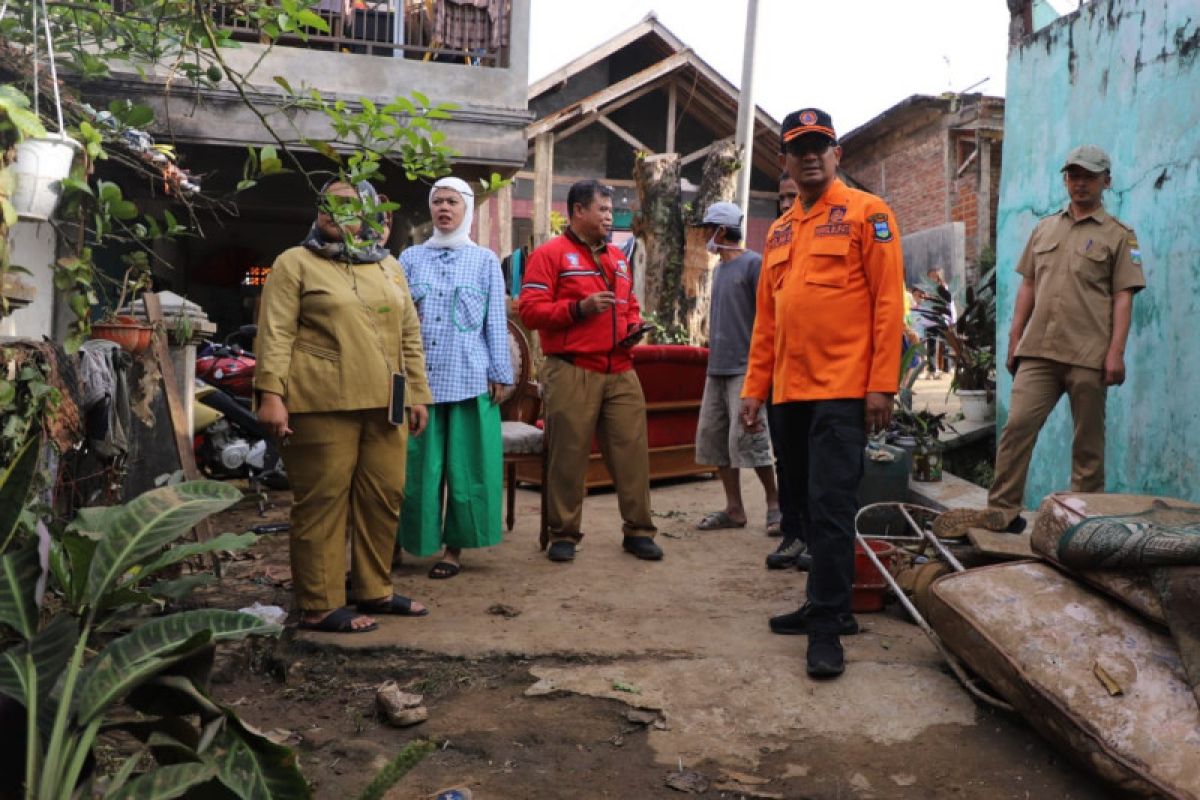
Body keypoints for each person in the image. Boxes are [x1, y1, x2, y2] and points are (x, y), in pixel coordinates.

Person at [740, 108, 905, 677]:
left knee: (833, 510)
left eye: (821, 145)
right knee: (805, 511)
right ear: (783, 160)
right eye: (799, 148)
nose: (810, 155)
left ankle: (829, 628)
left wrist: (882, 386)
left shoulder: (869, 214)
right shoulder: (783, 230)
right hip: (789, 394)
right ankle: (821, 602)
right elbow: (768, 320)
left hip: (842, 391)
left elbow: (888, 305)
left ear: (838, 154)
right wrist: (753, 389)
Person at [939, 144, 1144, 537]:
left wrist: (1116, 352)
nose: (1080, 182)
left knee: (1088, 445)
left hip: (1089, 354)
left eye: (1089, 175)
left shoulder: (1119, 237)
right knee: (1017, 428)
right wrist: (1014, 337)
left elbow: (1123, 296)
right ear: (1066, 179)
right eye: (1073, 175)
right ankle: (1002, 511)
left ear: (1107, 181)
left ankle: (1082, 523)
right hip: (1038, 352)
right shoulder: (1044, 228)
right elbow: (1028, 286)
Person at [256, 179, 432, 633]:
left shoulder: (389, 266)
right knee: (323, 502)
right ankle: (319, 602)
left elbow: (409, 334)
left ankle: (375, 589)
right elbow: (275, 332)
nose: (335, 211)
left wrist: (416, 392)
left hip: (386, 401)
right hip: (320, 402)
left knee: (384, 497)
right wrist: (271, 394)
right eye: (328, 202)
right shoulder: (294, 263)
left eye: (349, 204)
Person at [518, 179, 661, 563]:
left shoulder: (617, 257)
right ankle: (564, 534)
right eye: (603, 210)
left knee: (632, 453)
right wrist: (577, 309)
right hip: (572, 369)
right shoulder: (550, 255)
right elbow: (529, 311)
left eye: (612, 211)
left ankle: (639, 531)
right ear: (577, 211)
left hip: (621, 368)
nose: (610, 217)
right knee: (568, 454)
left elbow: (629, 304)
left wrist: (634, 327)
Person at [396, 177, 513, 579]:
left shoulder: (483, 261)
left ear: (466, 209)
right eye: (437, 201)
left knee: (467, 468)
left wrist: (500, 372)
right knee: (415, 469)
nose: (444, 208)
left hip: (470, 378)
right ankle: (407, 541)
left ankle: (454, 550)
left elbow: (495, 321)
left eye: (453, 202)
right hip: (419, 383)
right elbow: (398, 322)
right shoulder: (409, 260)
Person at [692, 202, 781, 535]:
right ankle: (734, 509)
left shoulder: (754, 264)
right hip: (717, 368)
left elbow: (768, 318)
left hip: (746, 368)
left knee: (751, 439)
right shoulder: (719, 270)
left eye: (707, 230)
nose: (704, 237)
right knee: (715, 439)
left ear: (721, 231)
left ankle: (775, 506)